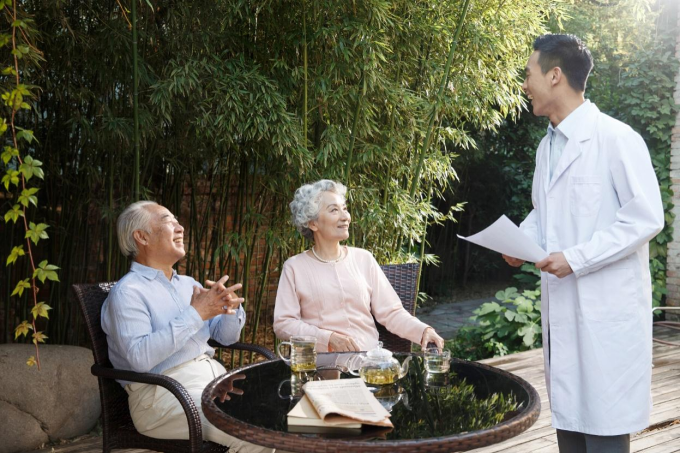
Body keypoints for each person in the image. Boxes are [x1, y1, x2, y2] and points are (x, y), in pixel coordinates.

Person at [503, 34, 664, 452]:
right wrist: (520, 242)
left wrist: (576, 258)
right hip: (565, 312)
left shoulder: (616, 138)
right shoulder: (546, 146)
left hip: (604, 312)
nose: (524, 84)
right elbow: (545, 212)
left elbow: (646, 217)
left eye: (528, 73)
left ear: (555, 76)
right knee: (570, 426)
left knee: (605, 430)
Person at [102, 200, 272, 453]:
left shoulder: (188, 284)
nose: (180, 227)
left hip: (213, 382)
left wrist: (228, 309)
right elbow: (139, 359)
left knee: (284, 416)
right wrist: (196, 313)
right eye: (168, 221)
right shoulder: (128, 292)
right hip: (163, 396)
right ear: (141, 237)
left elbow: (225, 338)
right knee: (255, 433)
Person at [273, 179, 445, 353]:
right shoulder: (295, 267)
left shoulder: (364, 258)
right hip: (323, 367)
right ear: (313, 223)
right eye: (334, 210)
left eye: (345, 209)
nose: (345, 217)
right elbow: (283, 324)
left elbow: (391, 312)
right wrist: (328, 338)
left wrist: (423, 330)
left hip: (370, 363)